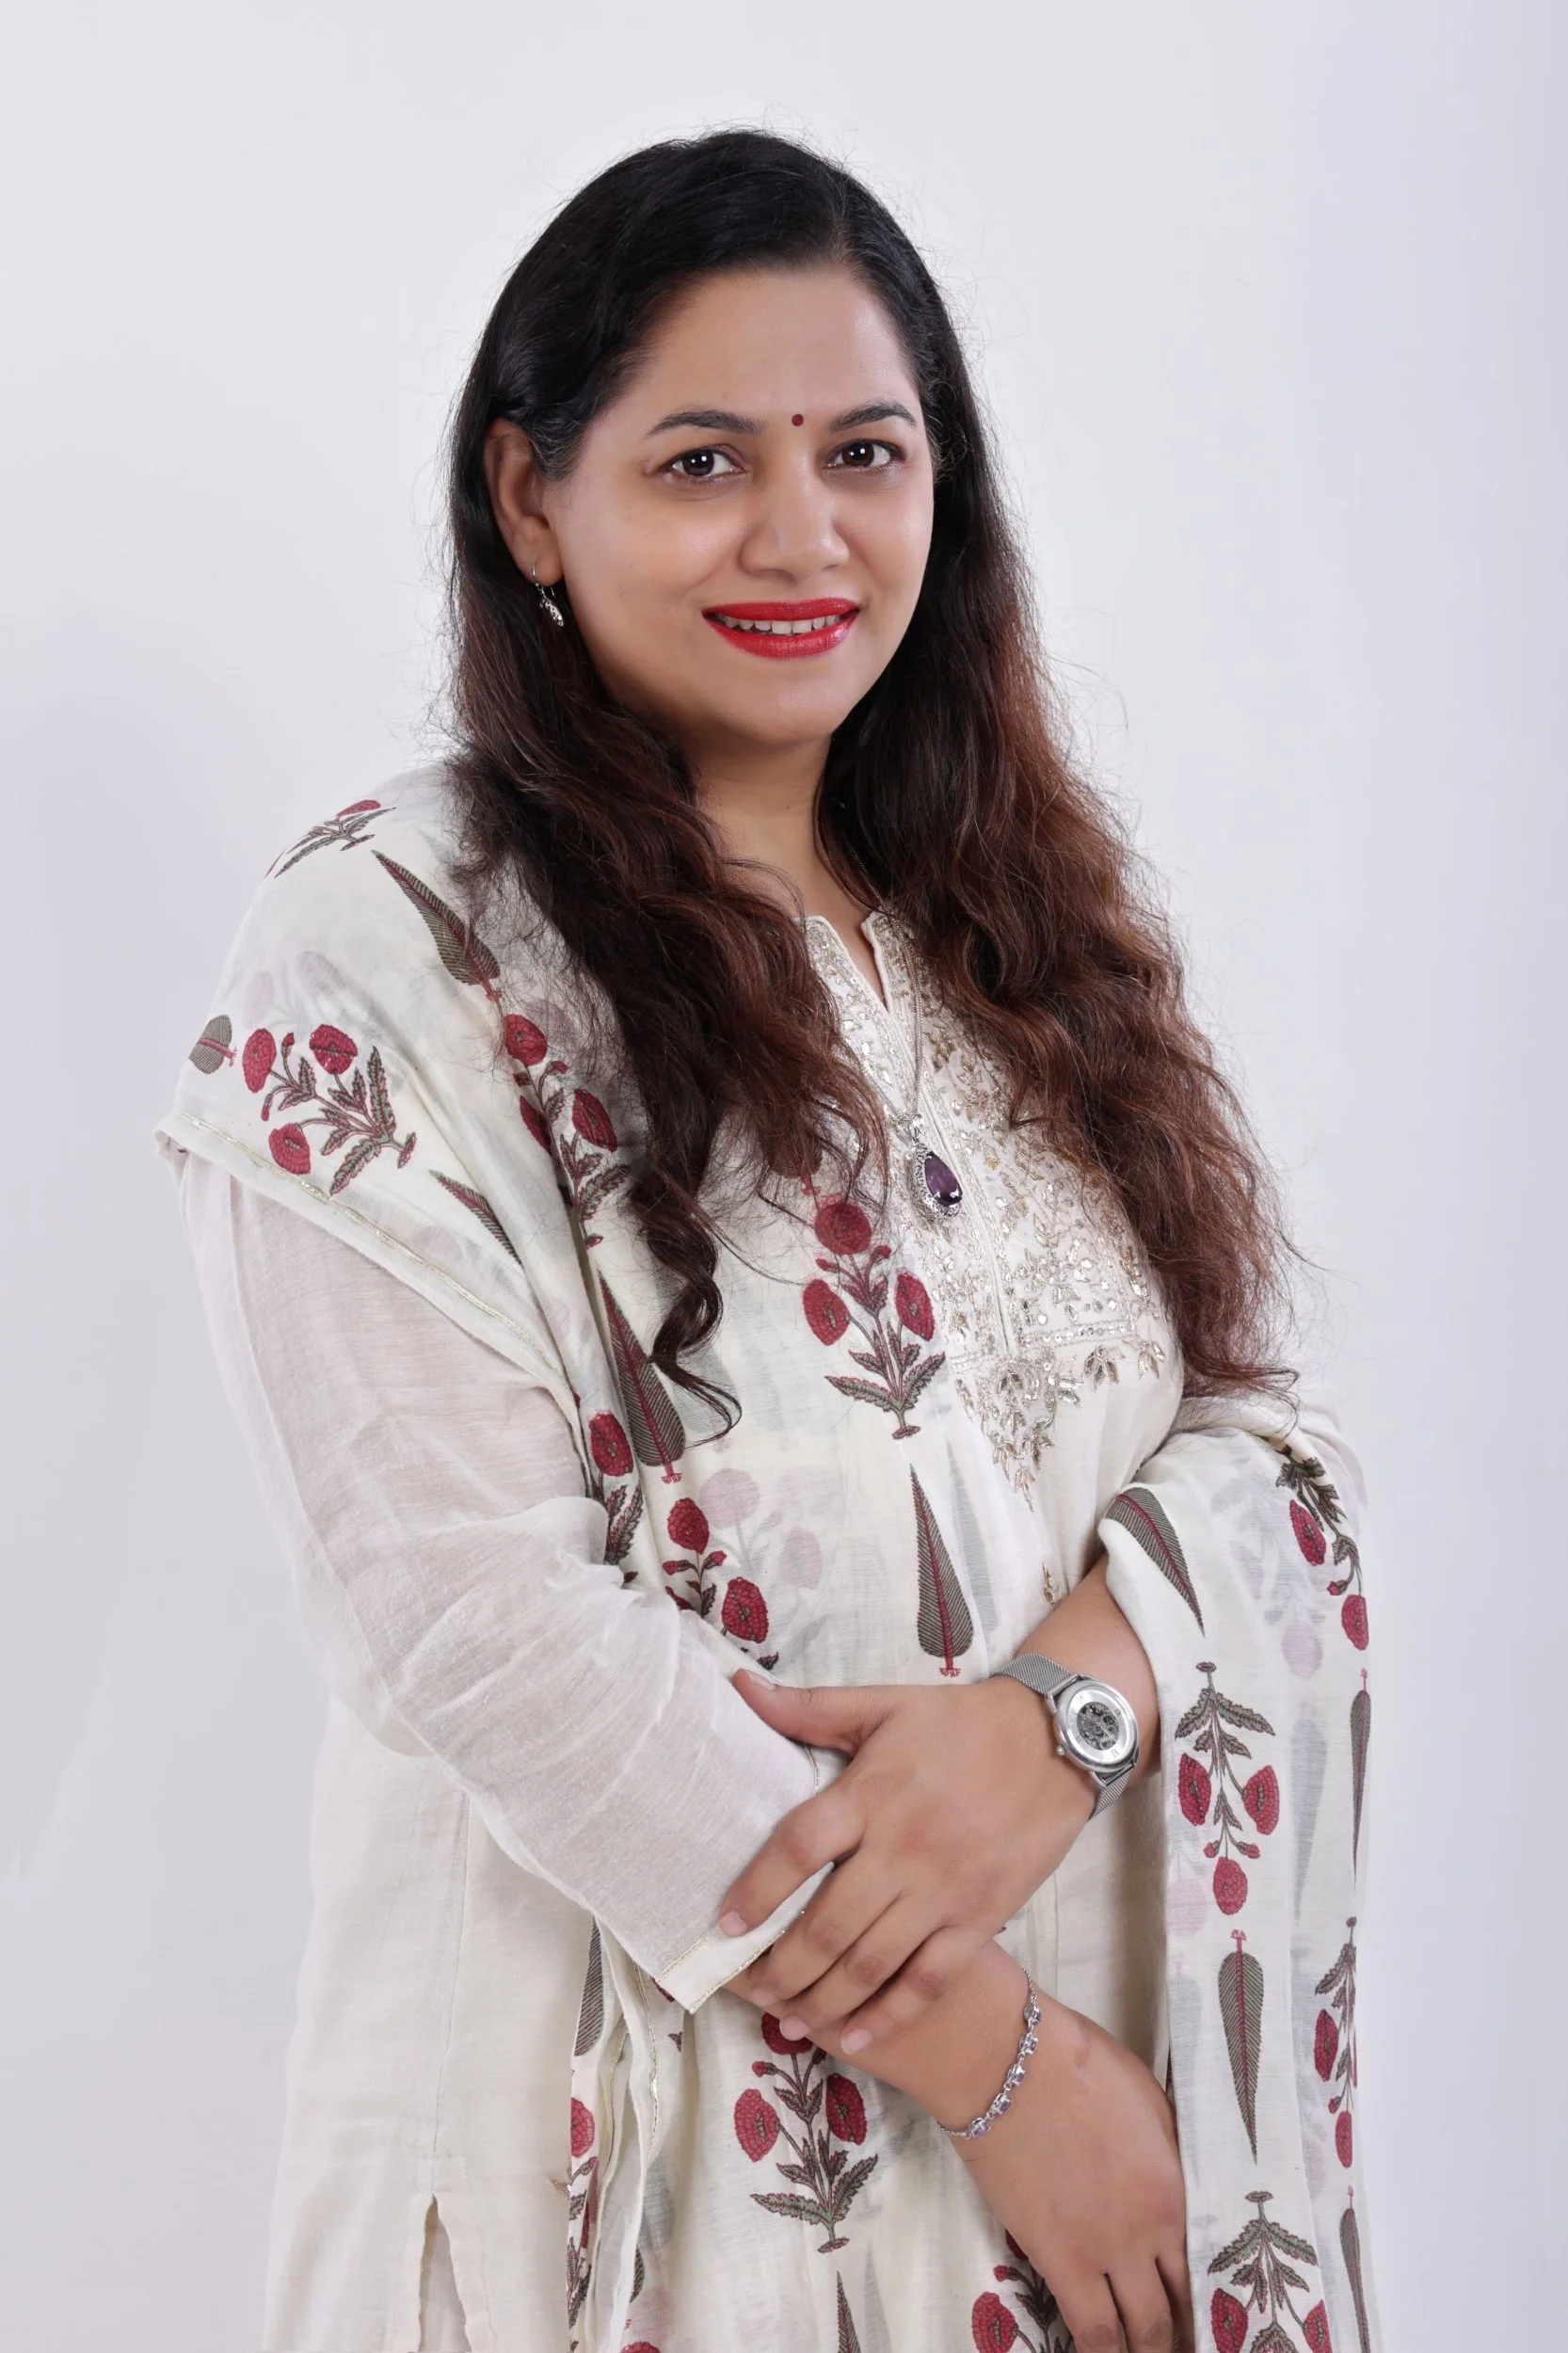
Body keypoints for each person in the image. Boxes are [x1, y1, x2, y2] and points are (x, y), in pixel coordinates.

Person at [158, 130, 1380, 2353]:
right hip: (610, 2176)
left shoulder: (1004, 937)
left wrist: (1058, 1714)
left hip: (1053, 2209)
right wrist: (1002, 2063)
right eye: (704, 457)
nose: (801, 535)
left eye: (864, 454)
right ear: (532, 496)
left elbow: (1249, 1455)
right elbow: (485, 1627)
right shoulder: (385, 948)